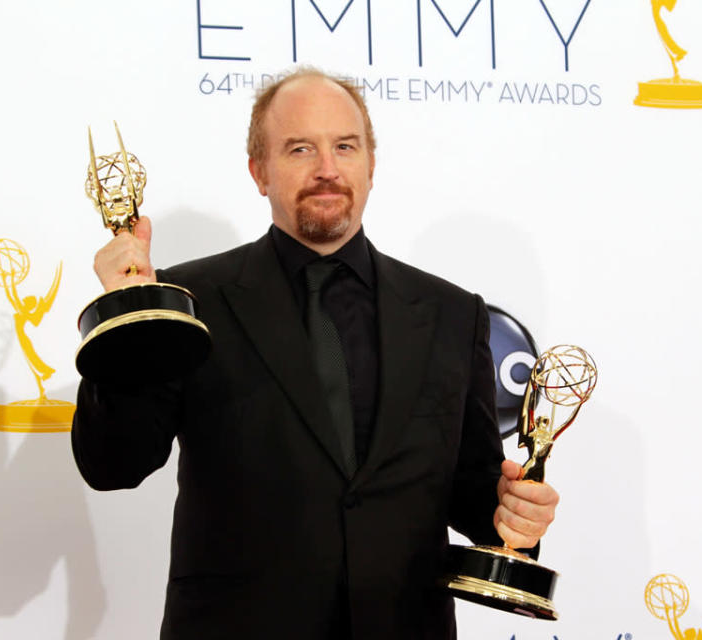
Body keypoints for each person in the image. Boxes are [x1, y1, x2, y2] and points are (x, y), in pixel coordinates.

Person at [72, 68, 560, 640]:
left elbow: (475, 497)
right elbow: (112, 466)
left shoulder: (452, 313)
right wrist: (130, 317)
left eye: (345, 147)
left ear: (371, 167)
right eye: (300, 148)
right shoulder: (187, 301)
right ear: (259, 171)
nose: (327, 168)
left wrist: (515, 512)